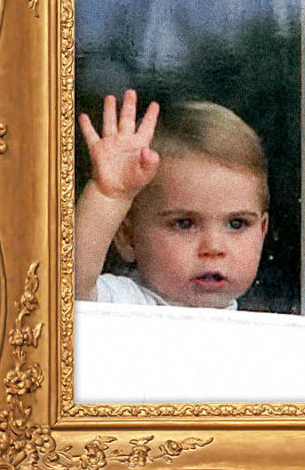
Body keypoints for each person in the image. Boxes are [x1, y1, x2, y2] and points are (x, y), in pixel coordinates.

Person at [75, 89, 269, 309]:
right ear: (128, 237)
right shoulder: (124, 303)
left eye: (237, 224)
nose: (214, 247)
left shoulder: (265, 326)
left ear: (262, 232)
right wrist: (108, 195)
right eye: (184, 224)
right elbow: (68, 285)